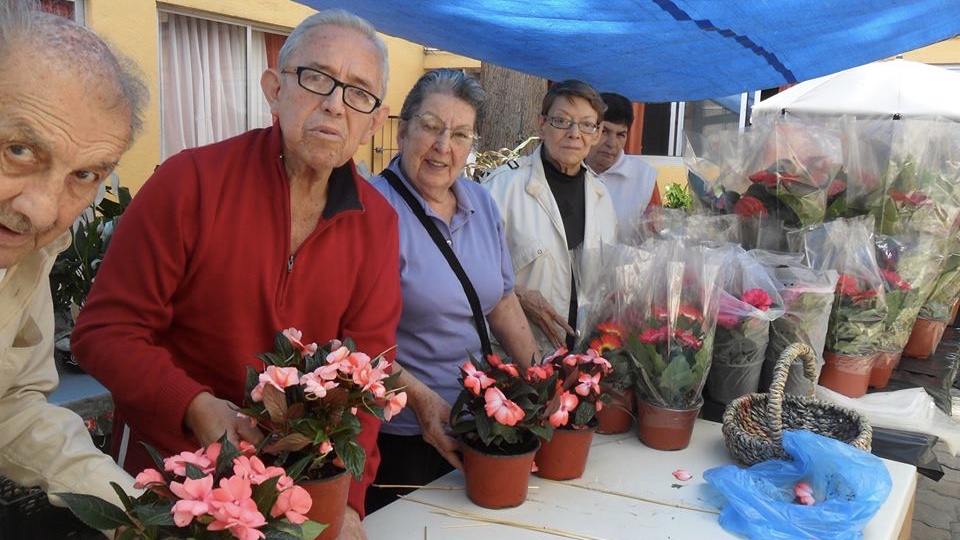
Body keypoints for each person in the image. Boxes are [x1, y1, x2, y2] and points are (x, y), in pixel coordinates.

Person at [71, 10, 399, 538]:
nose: (335, 103)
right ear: (274, 88)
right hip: (170, 484)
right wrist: (194, 405)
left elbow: (368, 373)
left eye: (358, 92)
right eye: (316, 78)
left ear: (374, 121)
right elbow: (103, 334)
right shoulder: (190, 182)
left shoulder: (378, 223)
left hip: (288, 493)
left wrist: (352, 504)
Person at [364, 69, 539, 512]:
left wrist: (544, 378)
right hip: (403, 430)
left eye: (461, 133)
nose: (445, 146)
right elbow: (357, 342)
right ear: (403, 131)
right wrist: (421, 403)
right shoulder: (370, 210)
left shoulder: (480, 202)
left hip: (478, 420)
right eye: (431, 127)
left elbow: (501, 302)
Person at [0, 0, 147, 517]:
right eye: (18, 149)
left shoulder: (25, 253)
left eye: (84, 175)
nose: (41, 211)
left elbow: (11, 409)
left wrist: (141, 518)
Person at [483, 80, 618, 353]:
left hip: (584, 356)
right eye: (561, 121)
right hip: (515, 357)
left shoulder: (602, 196)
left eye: (586, 124)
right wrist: (517, 296)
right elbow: (470, 271)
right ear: (541, 124)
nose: (574, 133)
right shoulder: (500, 188)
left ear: (597, 133)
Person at [585, 92, 661, 241]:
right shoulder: (567, 169)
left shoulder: (644, 178)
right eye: (605, 131)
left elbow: (654, 239)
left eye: (621, 135)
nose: (612, 143)